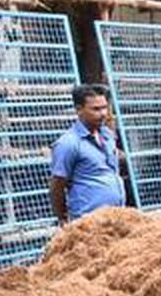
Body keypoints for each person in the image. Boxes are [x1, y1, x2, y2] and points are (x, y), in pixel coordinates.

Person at [49, 84, 126, 225]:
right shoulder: (68, 143)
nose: (103, 113)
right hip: (88, 223)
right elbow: (57, 185)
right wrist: (63, 218)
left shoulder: (107, 136)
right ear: (79, 110)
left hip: (116, 217)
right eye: (96, 109)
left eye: (104, 107)